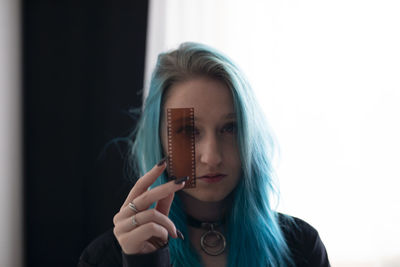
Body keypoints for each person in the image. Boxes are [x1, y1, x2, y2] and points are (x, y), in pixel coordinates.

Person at [78, 42, 330, 267]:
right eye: (188, 130)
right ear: (158, 139)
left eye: (230, 128)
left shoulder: (301, 247)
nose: (212, 157)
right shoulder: (107, 258)